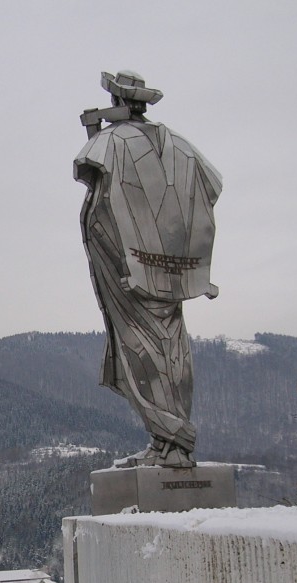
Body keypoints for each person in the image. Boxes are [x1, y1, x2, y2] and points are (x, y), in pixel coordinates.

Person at [74, 71, 223, 468]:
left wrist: (94, 133)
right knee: (171, 346)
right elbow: (211, 184)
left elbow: (89, 170)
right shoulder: (180, 145)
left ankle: (173, 441)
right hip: (170, 266)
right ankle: (167, 441)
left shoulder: (109, 142)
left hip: (129, 265)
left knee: (141, 348)